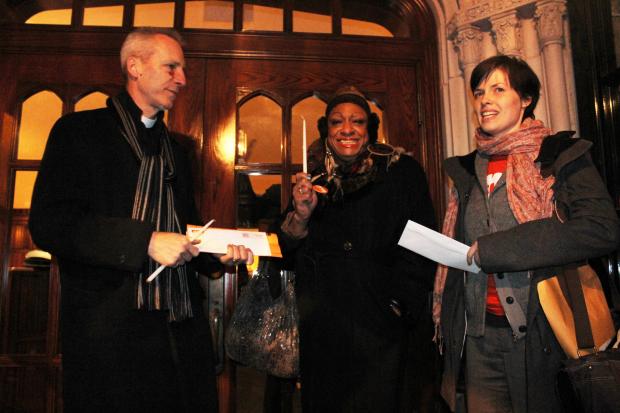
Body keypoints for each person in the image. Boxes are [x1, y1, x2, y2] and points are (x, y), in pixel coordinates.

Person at [28, 28, 253, 413]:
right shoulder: (77, 132)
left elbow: (186, 231)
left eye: (182, 69)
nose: (182, 79)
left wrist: (216, 256)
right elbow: (51, 223)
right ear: (134, 66)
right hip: (108, 335)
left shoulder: (178, 149)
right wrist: (144, 241)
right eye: (171, 67)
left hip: (180, 330)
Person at [433, 55, 619, 413]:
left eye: (498, 89)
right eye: (478, 91)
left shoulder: (561, 154)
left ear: (526, 99)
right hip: (478, 338)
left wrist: (494, 249)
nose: (484, 99)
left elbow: (601, 228)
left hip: (545, 335)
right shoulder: (466, 169)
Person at [277, 86, 437, 412]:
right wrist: (302, 215)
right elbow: (285, 248)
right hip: (324, 327)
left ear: (370, 129)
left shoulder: (401, 171)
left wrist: (400, 306)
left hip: (383, 326)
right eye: (337, 122)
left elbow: (423, 244)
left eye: (357, 121)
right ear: (327, 131)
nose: (346, 129)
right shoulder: (314, 178)